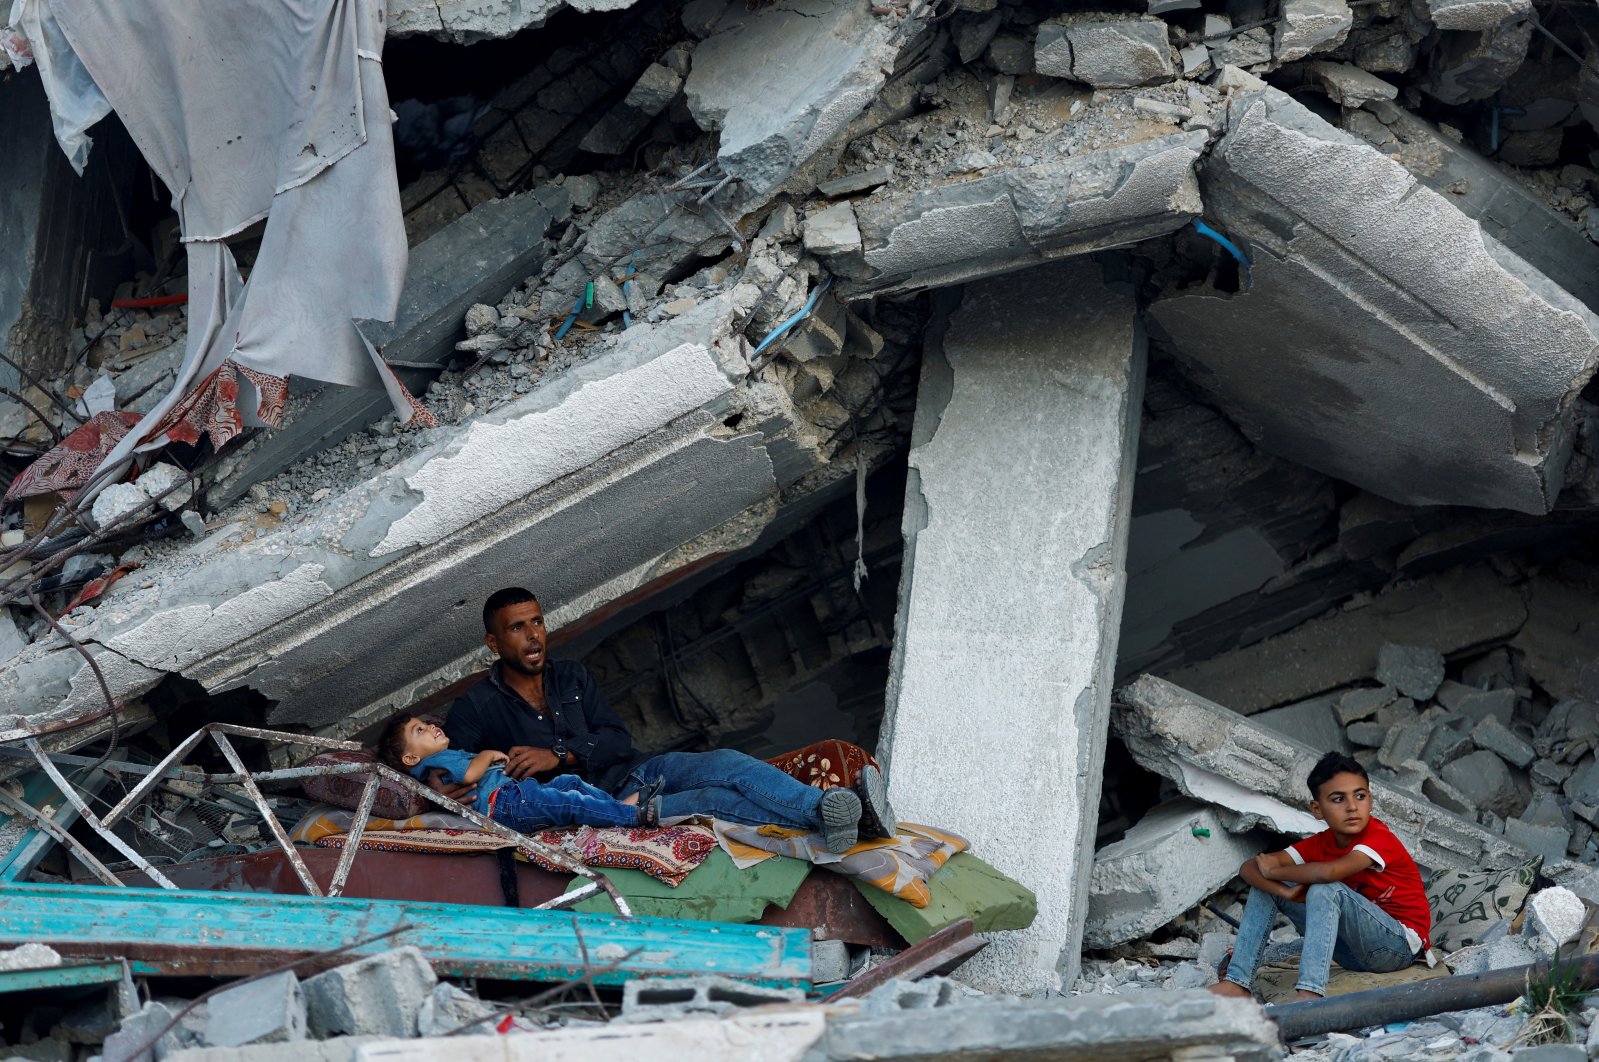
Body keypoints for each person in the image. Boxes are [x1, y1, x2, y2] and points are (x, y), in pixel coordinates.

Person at [432, 587, 896, 853]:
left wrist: (559, 754)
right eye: (517, 628)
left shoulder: (570, 675)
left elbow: (616, 738)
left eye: (537, 622)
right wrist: (445, 788)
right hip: (609, 808)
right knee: (712, 799)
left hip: (637, 770)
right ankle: (837, 820)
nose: (534, 636)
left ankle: (827, 812)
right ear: (494, 643)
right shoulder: (476, 708)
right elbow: (444, 771)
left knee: (727, 762)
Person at [1208, 751, 1431, 1001]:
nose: (1352, 807)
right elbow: (1248, 868)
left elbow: (1329, 872)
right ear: (1317, 809)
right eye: (1338, 799)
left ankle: (1310, 992)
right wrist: (1285, 889)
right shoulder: (1320, 843)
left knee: (1326, 888)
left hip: (1397, 947)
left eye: (1360, 796)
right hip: (1350, 952)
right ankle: (1237, 982)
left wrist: (1275, 870)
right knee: (1266, 885)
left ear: (1370, 800)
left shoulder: (1378, 837)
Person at [377, 714, 654, 831]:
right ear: (411, 757)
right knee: (567, 802)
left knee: (570, 782)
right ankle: (630, 816)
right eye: (420, 730)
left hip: (514, 795)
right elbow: (471, 776)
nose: (430, 727)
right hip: (507, 803)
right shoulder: (440, 761)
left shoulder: (439, 760)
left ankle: (614, 808)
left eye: (426, 723)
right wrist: (487, 754)